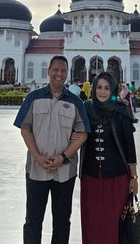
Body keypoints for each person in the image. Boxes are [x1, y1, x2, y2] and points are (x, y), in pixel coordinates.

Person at [14, 55, 90, 244]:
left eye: (63, 70)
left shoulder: (75, 101)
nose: (59, 74)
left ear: (67, 73)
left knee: (62, 221)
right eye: (55, 70)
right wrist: (38, 157)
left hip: (64, 171)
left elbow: (83, 134)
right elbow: (25, 129)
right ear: (48, 71)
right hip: (36, 169)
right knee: (33, 220)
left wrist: (63, 157)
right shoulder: (34, 98)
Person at [80, 72, 138, 244]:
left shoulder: (120, 110)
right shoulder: (86, 108)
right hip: (90, 178)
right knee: (92, 222)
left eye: (106, 88)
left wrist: (133, 177)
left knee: (113, 222)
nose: (102, 92)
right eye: (99, 87)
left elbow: (130, 147)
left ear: (112, 89)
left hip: (116, 178)